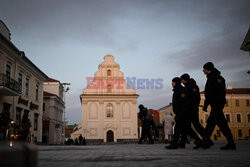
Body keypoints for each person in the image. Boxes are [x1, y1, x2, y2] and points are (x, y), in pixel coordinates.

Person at [202, 62, 235, 150]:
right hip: (215, 104)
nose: (203, 70)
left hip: (217, 104)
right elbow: (209, 94)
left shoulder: (217, 78)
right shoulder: (211, 77)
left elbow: (218, 93)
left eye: (204, 69)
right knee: (213, 124)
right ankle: (206, 142)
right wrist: (206, 104)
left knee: (217, 124)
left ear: (208, 69)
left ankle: (230, 143)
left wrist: (209, 104)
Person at [181, 73, 212, 149]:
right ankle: (202, 141)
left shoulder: (192, 86)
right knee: (190, 126)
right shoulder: (188, 86)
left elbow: (196, 98)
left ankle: (205, 140)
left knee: (195, 125)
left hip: (192, 109)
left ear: (185, 79)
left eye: (182, 79)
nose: (181, 81)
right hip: (189, 109)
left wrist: (190, 105)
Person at [166, 77, 192, 149]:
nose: (172, 83)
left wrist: (180, 112)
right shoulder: (178, 90)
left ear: (176, 83)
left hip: (182, 113)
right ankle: (182, 143)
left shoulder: (181, 90)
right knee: (183, 128)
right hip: (181, 112)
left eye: (173, 82)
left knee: (178, 128)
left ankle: (174, 143)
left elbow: (183, 102)